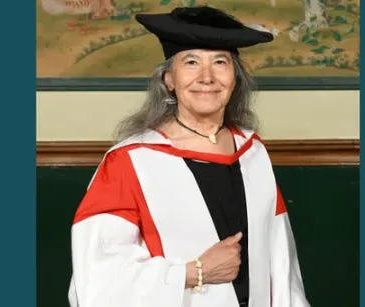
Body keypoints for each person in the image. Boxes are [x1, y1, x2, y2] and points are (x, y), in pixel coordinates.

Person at [67, 5, 311, 307]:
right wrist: (195, 272)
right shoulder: (130, 161)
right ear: (169, 78)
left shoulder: (253, 152)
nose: (207, 77)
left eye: (220, 62)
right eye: (191, 62)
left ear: (235, 78)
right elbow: (97, 279)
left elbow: (282, 265)